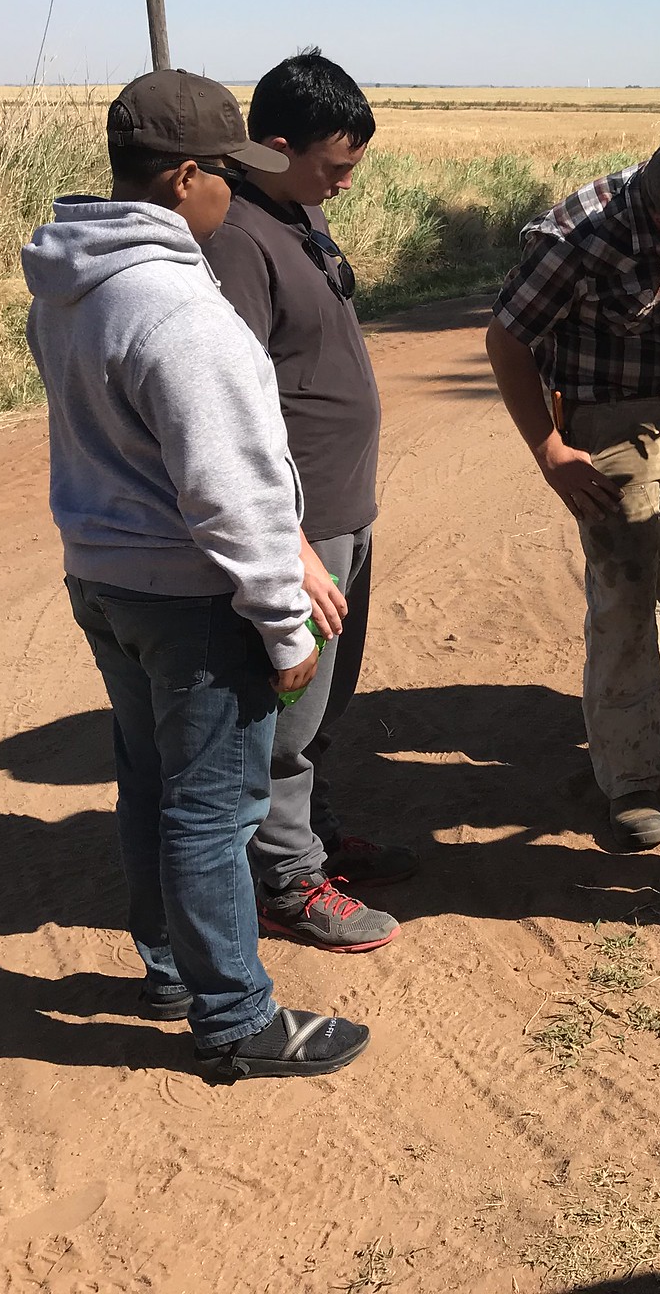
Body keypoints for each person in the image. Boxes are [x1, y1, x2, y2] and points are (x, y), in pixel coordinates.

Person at [23, 70, 368, 1079]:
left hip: (107, 581)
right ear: (184, 179)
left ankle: (172, 967)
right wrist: (281, 622)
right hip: (190, 601)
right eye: (230, 175)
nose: (239, 194)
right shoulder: (180, 308)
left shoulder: (69, 283)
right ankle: (235, 1018)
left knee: (151, 787)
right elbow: (233, 490)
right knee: (216, 808)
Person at [484, 137, 660, 848]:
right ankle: (628, 779)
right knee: (623, 600)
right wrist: (550, 450)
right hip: (608, 425)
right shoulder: (577, 238)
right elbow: (506, 341)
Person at [204, 50, 416, 954]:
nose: (345, 182)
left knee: (328, 699)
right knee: (287, 705)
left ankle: (310, 839)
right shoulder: (236, 236)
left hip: (342, 507)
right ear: (275, 145)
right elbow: (229, 405)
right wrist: (283, 534)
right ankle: (284, 880)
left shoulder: (299, 212)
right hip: (297, 521)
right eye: (334, 165)